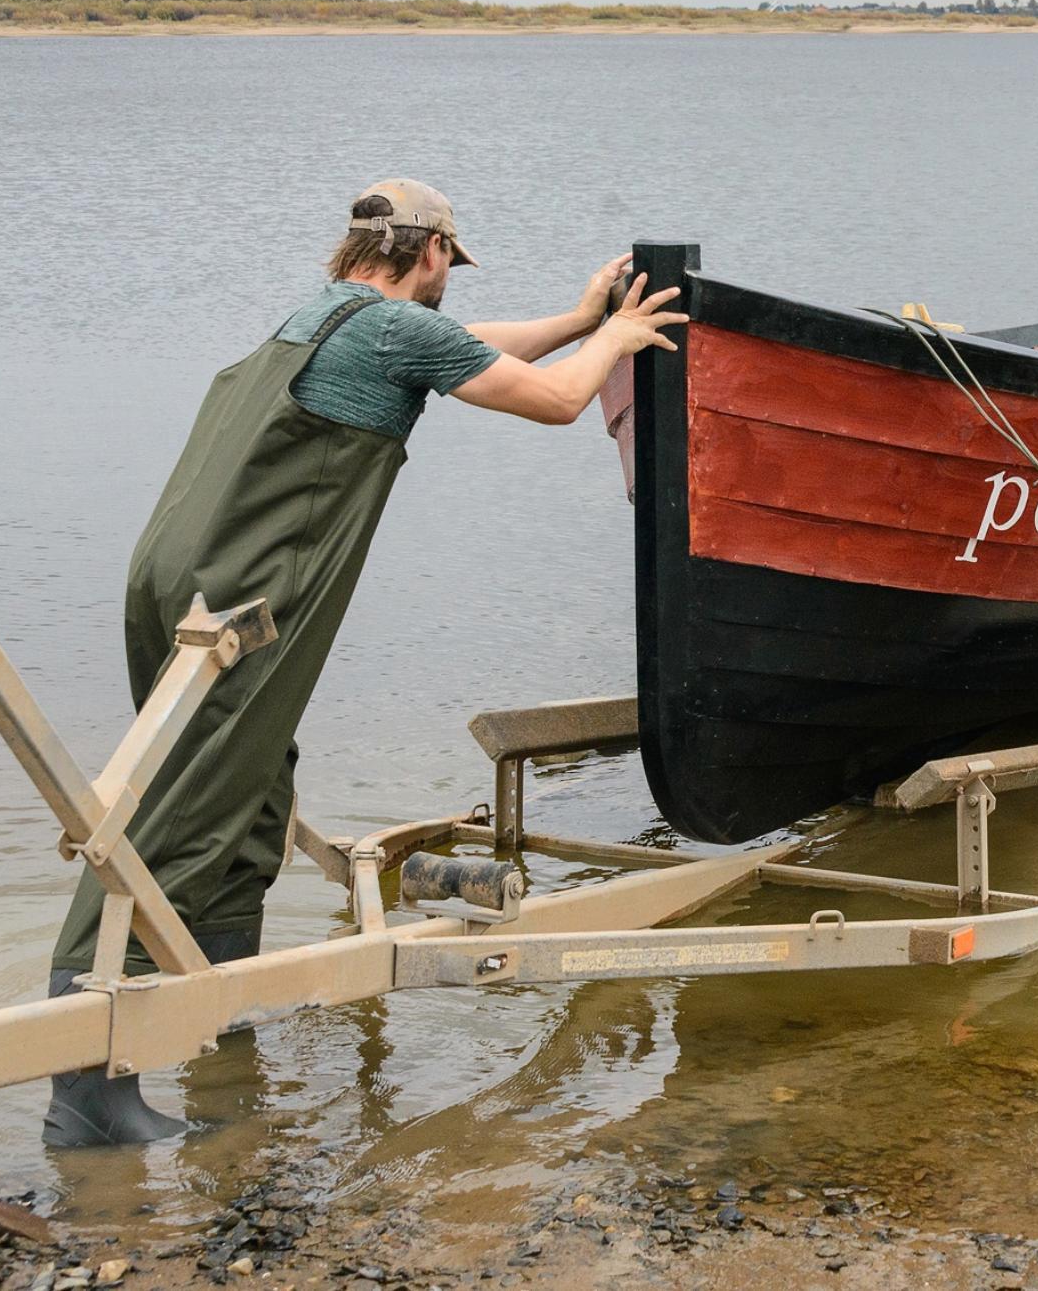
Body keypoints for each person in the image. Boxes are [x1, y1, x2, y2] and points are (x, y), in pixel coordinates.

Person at [42, 179, 684, 1146]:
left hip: (177, 571)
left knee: (253, 794)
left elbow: (473, 349)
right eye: (446, 269)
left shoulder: (323, 312)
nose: (446, 287)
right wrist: (617, 341)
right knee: (177, 807)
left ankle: (220, 1024)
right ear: (429, 253)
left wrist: (581, 317)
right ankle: (83, 1089)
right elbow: (555, 401)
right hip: (243, 598)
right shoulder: (395, 331)